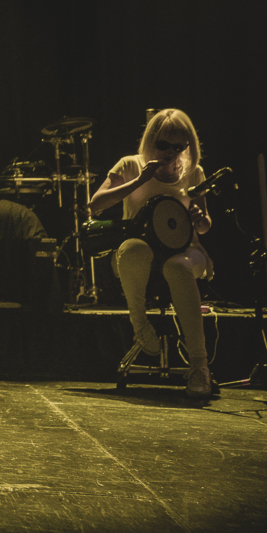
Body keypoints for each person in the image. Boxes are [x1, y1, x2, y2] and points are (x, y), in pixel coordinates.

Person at [88, 109, 213, 400]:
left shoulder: (194, 172)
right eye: (163, 145)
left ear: (188, 145)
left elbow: (205, 226)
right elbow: (95, 205)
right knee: (132, 249)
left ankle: (199, 365)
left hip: (185, 252)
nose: (170, 152)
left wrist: (199, 219)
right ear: (151, 141)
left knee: (177, 267)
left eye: (178, 146)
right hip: (140, 253)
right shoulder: (131, 165)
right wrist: (140, 180)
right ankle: (139, 324)